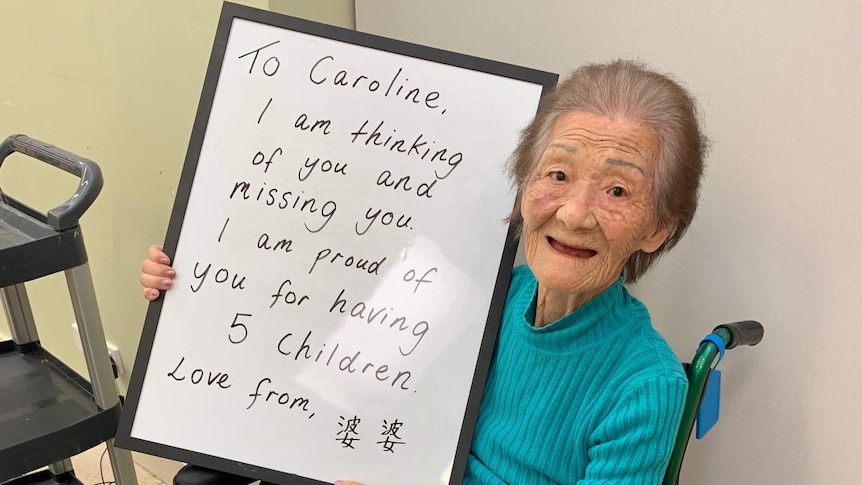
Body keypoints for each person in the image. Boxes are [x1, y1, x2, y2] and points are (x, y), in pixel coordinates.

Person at [140, 59, 708, 484]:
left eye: (616, 189)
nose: (574, 213)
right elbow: (337, 364)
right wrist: (198, 286)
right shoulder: (492, 294)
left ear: (658, 228)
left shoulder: (646, 389)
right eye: (557, 174)